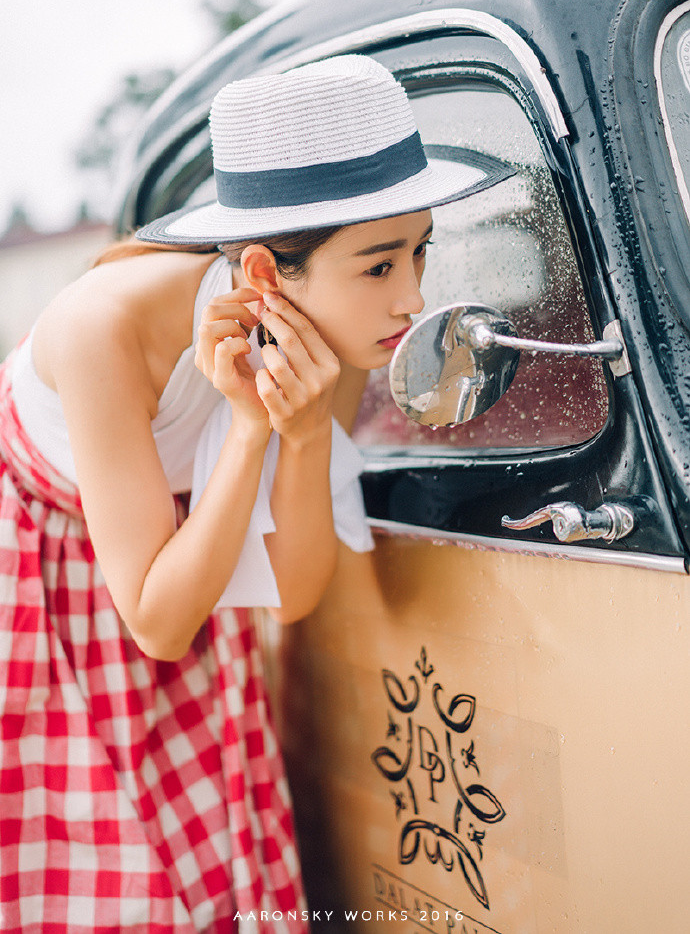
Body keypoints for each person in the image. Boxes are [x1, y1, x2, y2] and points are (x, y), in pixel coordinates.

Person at [0, 54, 508, 933]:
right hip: (44, 593)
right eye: (380, 265)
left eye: (419, 250)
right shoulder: (104, 327)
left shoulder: (317, 336)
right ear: (269, 272)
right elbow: (156, 621)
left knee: (216, 873)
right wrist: (248, 428)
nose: (415, 296)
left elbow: (294, 590)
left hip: (183, 569)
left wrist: (303, 432)